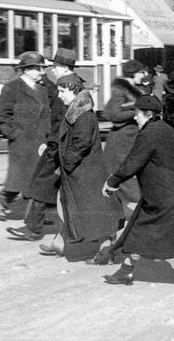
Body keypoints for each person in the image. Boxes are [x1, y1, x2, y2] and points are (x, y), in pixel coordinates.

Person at [102, 95, 174, 295]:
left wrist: (113, 181)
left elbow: (133, 161)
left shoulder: (148, 133)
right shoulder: (168, 130)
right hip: (172, 192)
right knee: (142, 230)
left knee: (165, 234)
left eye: (137, 114)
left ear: (148, 114)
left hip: (160, 196)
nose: (135, 118)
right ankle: (126, 271)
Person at [35, 74, 124, 261]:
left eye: (62, 91)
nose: (59, 95)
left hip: (84, 173)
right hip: (79, 172)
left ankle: (105, 250)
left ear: (73, 89)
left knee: (92, 213)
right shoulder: (76, 110)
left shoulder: (83, 115)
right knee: (68, 206)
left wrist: (66, 163)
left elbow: (81, 144)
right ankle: (59, 243)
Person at [6, 48, 80, 241]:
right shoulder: (71, 82)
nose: (52, 70)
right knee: (49, 185)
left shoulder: (69, 85)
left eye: (54, 66)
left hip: (60, 143)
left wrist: (51, 142)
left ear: (63, 67)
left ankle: (34, 228)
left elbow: (64, 119)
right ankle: (38, 227)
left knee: (41, 184)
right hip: (60, 142)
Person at [0, 52, 51, 221]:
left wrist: (48, 138)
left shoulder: (42, 90)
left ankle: (35, 218)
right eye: (38, 68)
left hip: (40, 144)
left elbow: (46, 116)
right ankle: (4, 200)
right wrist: (14, 134)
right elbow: (1, 116)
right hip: (21, 144)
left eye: (42, 68)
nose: (42, 72)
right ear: (26, 70)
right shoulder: (11, 88)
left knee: (37, 181)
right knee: (17, 181)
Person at [100, 60, 146, 234]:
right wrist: (135, 113)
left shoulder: (133, 90)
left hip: (129, 142)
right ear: (133, 73)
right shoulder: (121, 90)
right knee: (127, 187)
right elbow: (110, 113)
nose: (143, 75)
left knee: (124, 189)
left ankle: (116, 232)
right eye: (141, 72)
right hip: (120, 145)